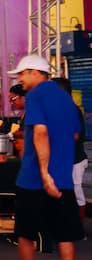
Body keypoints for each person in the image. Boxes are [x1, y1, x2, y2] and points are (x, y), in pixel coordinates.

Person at [0, 55, 83, 260]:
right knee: (65, 236)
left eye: (23, 74)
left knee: (25, 233)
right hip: (64, 179)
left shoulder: (36, 95)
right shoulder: (66, 98)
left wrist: (45, 173)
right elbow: (75, 135)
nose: (20, 80)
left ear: (37, 73)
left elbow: (40, 132)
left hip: (35, 179)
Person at [52, 78, 87, 213]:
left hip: (74, 161)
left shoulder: (71, 110)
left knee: (76, 195)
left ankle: (79, 232)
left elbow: (74, 136)